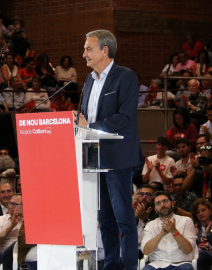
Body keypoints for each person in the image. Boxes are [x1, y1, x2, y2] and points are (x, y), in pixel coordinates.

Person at [77, 29, 143, 270]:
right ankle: (111, 265)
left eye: (88, 48)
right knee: (104, 219)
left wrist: (91, 126)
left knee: (123, 218)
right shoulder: (88, 80)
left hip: (118, 157)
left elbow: (125, 118)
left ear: (105, 50)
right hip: (93, 156)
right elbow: (86, 116)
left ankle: (128, 266)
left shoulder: (125, 77)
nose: (84, 53)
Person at [141, 191, 196, 270]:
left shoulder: (186, 221)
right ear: (155, 210)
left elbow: (188, 250)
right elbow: (146, 251)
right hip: (157, 264)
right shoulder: (150, 225)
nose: (162, 205)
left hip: (181, 263)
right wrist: (161, 234)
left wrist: (174, 231)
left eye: (165, 201)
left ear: (173, 204)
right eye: (158, 203)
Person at [0, 194, 23, 269]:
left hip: (25, 253)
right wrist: (11, 226)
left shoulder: (30, 221)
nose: (10, 206)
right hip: (7, 255)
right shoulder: (0, 220)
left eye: (14, 204)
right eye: (10, 203)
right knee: (16, 244)